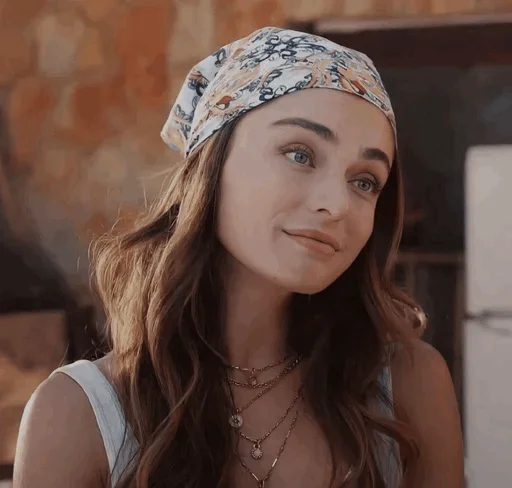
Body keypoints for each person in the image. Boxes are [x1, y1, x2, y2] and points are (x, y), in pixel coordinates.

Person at [13, 27, 464, 488]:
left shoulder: (409, 387)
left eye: (365, 181)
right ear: (213, 160)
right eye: (300, 154)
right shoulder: (78, 415)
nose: (337, 204)